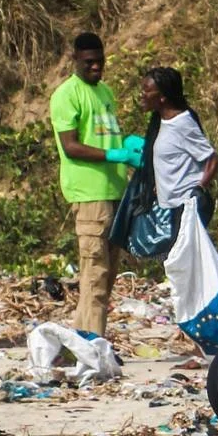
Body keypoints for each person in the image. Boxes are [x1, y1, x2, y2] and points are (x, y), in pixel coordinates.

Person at [48, 33, 140, 336]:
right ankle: (90, 344)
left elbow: (106, 134)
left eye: (100, 61)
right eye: (89, 62)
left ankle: (87, 342)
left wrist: (127, 148)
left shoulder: (105, 92)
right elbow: (71, 146)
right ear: (75, 59)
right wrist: (114, 153)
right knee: (94, 275)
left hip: (114, 191)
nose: (96, 67)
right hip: (90, 195)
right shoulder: (67, 94)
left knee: (106, 275)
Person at [140, 67, 217, 217]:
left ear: (163, 97)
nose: (142, 95)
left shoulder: (182, 122)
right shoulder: (160, 121)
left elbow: (211, 158)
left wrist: (199, 189)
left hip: (184, 207)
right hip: (167, 207)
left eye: (147, 90)